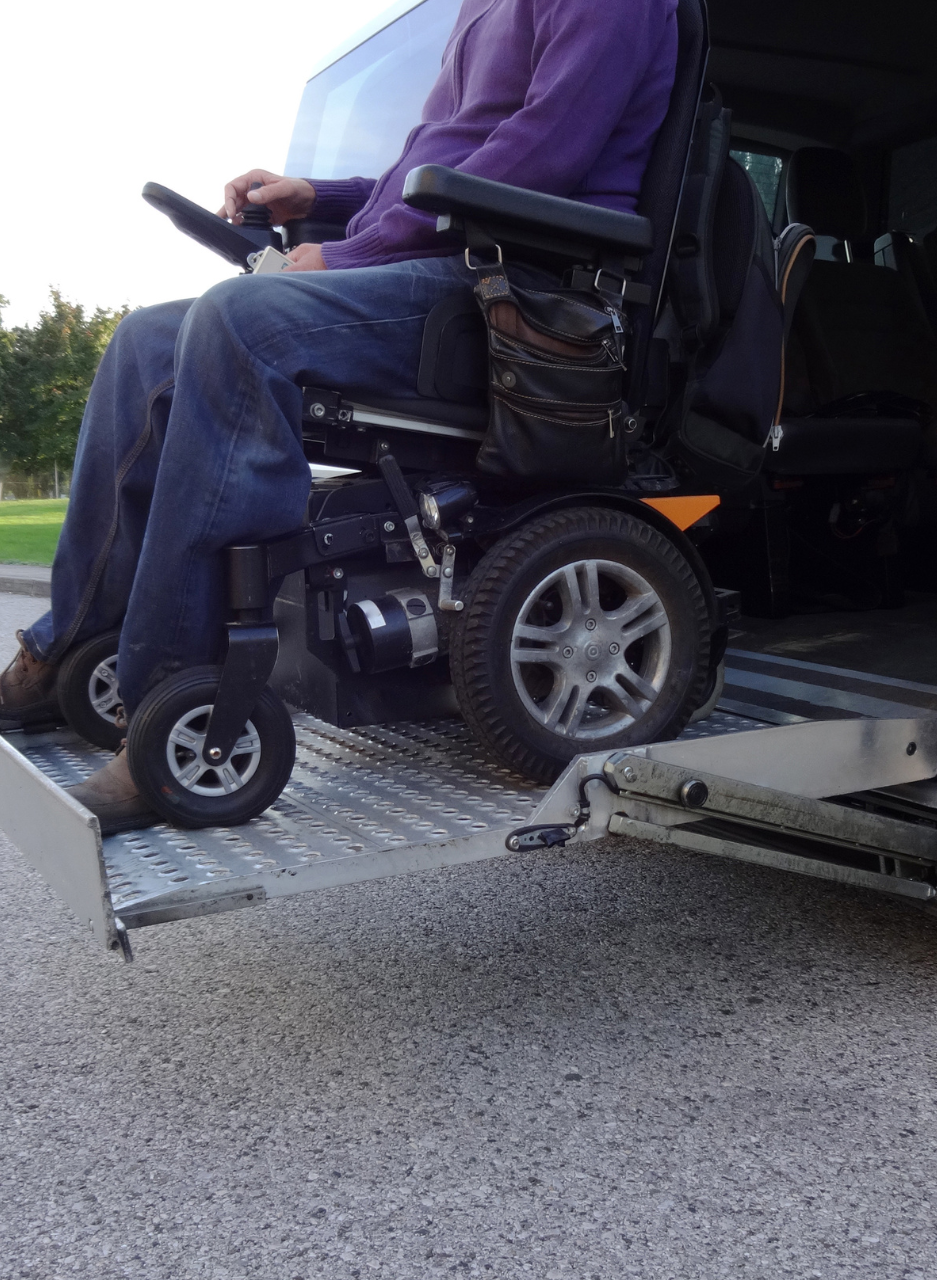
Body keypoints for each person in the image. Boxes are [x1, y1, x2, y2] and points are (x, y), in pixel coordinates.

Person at [0, 0, 679, 832]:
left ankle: (168, 700)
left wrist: (353, 251)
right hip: (437, 265)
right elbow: (433, 168)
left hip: (514, 288)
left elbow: (541, 157)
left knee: (243, 321)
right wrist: (318, 197)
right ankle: (68, 644)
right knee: (146, 341)